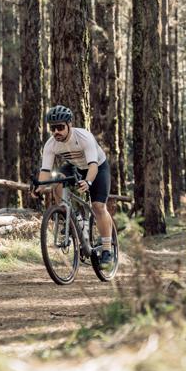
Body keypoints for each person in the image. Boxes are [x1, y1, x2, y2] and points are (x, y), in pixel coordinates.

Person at [34, 105, 114, 266]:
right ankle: (71, 216)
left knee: (98, 206)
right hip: (75, 166)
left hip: (97, 167)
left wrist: (88, 181)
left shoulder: (84, 137)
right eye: (53, 128)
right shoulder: (51, 144)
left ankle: (107, 250)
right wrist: (39, 187)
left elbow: (93, 166)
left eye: (60, 127)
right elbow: (45, 170)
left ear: (69, 125)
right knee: (57, 180)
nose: (57, 131)